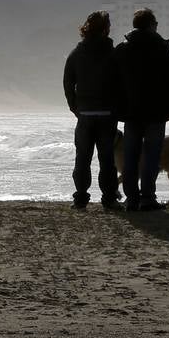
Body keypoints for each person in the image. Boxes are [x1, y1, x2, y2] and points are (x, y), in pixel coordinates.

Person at [114, 8, 169, 211]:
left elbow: (113, 81)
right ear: (152, 25)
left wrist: (116, 107)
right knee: (152, 156)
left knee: (131, 156)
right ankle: (147, 198)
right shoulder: (163, 48)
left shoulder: (123, 49)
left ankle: (131, 199)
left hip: (131, 112)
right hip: (156, 112)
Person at [63, 11, 121, 210]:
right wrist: (117, 108)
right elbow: (122, 84)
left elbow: (68, 83)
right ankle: (109, 199)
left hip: (85, 114)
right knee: (107, 160)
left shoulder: (76, 53)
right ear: (106, 29)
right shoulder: (113, 54)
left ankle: (80, 198)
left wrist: (75, 108)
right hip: (107, 114)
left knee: (83, 158)